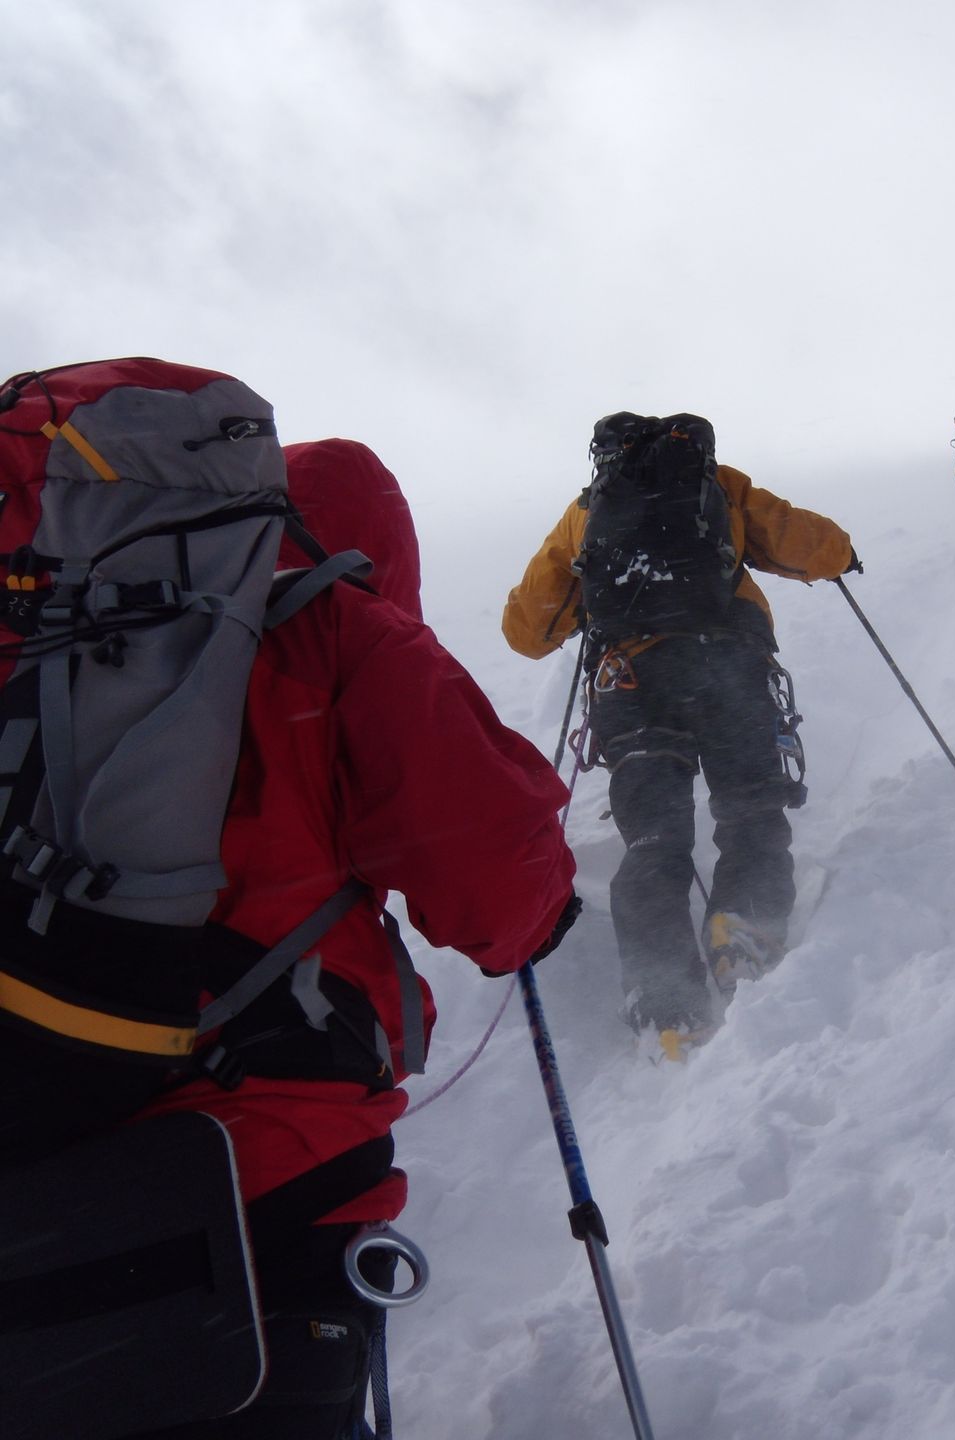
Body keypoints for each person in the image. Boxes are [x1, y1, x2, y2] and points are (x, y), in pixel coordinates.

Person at [0, 370, 579, 1440]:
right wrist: (546, 919)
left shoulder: (36, 634)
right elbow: (503, 886)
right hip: (260, 1184)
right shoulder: (335, 629)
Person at [502, 410, 856, 1055]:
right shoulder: (721, 487)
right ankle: (742, 926)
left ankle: (662, 989)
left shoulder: (585, 513)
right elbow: (818, 546)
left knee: (653, 837)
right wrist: (843, 558)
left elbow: (528, 632)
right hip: (729, 666)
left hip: (631, 682)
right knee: (750, 806)